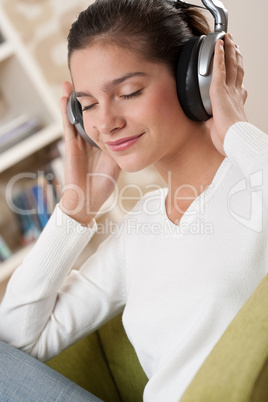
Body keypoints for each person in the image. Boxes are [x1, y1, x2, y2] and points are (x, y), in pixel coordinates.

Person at [0, 0, 267, 401]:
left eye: (128, 92)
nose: (105, 122)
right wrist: (76, 209)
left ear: (193, 79)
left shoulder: (252, 179)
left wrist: (235, 129)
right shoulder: (138, 232)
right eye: (88, 105)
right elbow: (17, 340)